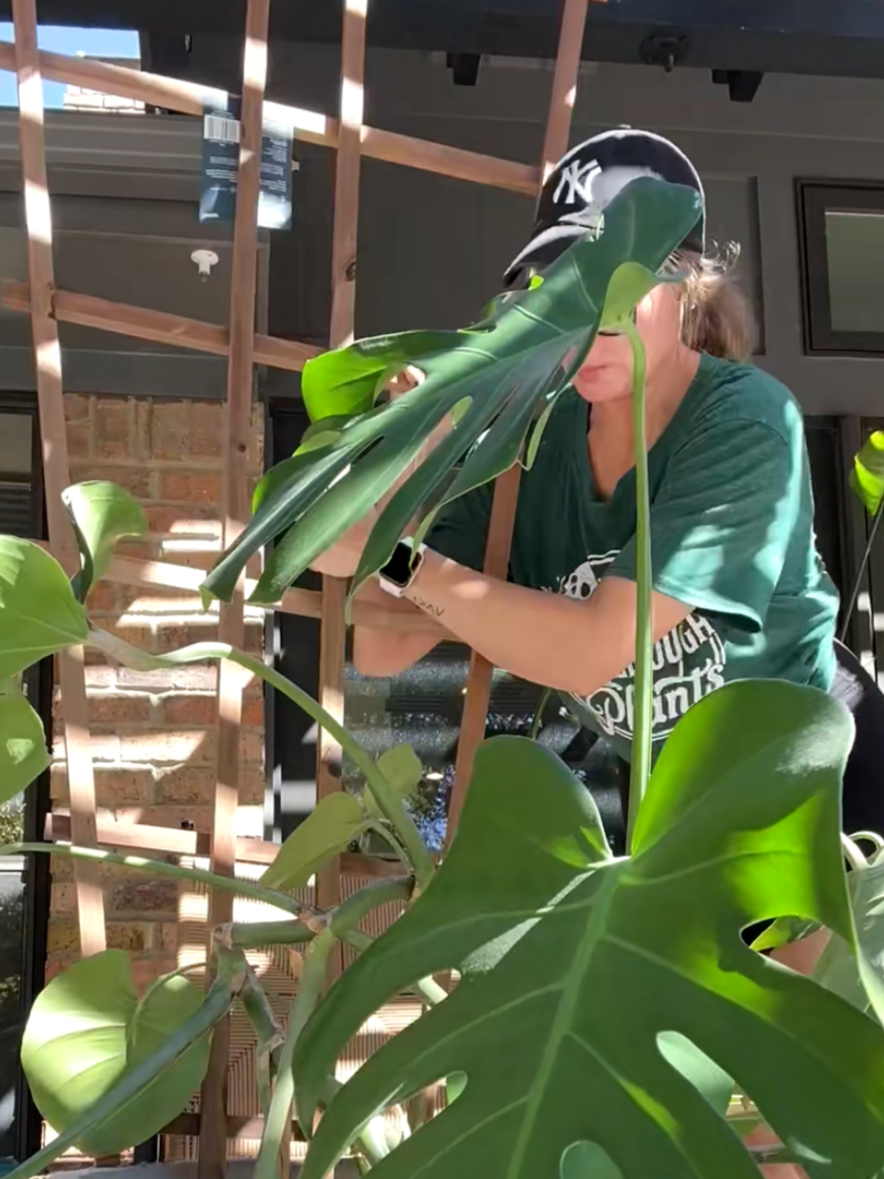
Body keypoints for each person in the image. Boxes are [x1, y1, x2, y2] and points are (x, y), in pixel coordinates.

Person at [311, 127, 884, 837]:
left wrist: (393, 556)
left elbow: (594, 650)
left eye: (617, 277)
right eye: (562, 284)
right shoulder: (526, 437)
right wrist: (415, 469)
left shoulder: (746, 420)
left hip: (813, 779)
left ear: (688, 282)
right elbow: (382, 646)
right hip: (672, 807)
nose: (588, 313)